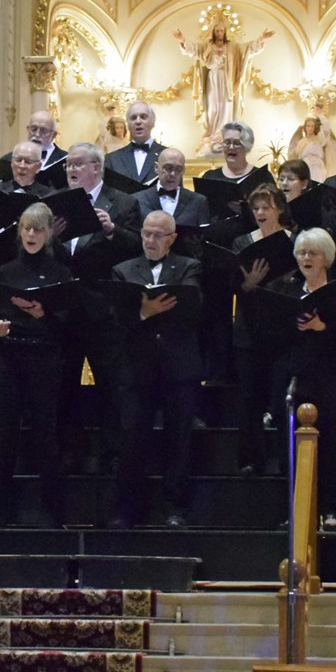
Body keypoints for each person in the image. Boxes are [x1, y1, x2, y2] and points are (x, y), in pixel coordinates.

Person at [109, 211, 203, 529]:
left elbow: (192, 309)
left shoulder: (189, 267)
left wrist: (151, 312)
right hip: (138, 367)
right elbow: (118, 318)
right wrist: (144, 313)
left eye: (157, 235)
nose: (150, 240)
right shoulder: (122, 270)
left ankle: (176, 508)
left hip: (179, 366)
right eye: (146, 234)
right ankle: (127, 510)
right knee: (132, 438)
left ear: (172, 238)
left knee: (179, 439)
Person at [0, 203, 73, 526]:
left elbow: (69, 327)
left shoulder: (60, 273)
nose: (32, 234)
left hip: (44, 358)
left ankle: (53, 512)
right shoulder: (7, 271)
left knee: (45, 436)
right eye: (26, 228)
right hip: (10, 357)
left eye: (38, 229)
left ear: (49, 233)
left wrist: (43, 314)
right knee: (4, 434)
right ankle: (1, 512)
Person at [57, 142, 141, 473]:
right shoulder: (58, 204)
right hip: (65, 311)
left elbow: (136, 248)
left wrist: (111, 231)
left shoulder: (123, 202)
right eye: (67, 166)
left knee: (112, 385)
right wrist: (52, 237)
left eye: (77, 164)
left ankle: (112, 455)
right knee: (64, 385)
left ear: (96, 168)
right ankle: (70, 451)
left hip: (105, 311)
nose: (71, 170)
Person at [267, 228, 336, 530]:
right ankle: (291, 510)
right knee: (287, 447)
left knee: (328, 447)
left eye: (312, 253)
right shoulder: (286, 289)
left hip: (328, 379)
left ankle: (330, 511)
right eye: (302, 252)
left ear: (326, 259)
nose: (306, 257)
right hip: (294, 376)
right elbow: (272, 333)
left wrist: (321, 327)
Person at [231, 183, 293, 476]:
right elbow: (234, 286)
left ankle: (284, 463)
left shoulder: (295, 241)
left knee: (281, 402)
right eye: (255, 208)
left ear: (279, 208)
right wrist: (248, 285)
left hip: (283, 332)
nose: (260, 213)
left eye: (266, 207)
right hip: (250, 330)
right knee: (248, 402)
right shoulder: (242, 242)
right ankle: (250, 460)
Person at [172, 19, 274, 154]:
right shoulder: (207, 46)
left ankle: (224, 135)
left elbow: (248, 49)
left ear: (225, 32)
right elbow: (194, 50)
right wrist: (182, 40)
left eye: (222, 31)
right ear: (213, 32)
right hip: (212, 80)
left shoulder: (232, 47)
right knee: (212, 108)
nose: (219, 33)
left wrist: (261, 39)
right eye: (217, 31)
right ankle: (212, 135)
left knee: (226, 107)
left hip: (227, 82)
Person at [103, 101, 166, 182]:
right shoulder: (112, 159)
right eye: (133, 118)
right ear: (128, 124)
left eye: (143, 117)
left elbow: (176, 193)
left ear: (153, 122)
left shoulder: (168, 156)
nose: (138, 121)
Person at [0, 110, 63, 184]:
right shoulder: (8, 160)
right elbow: (1, 189)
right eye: (33, 129)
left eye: (43, 131)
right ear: (27, 129)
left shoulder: (65, 161)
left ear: (53, 135)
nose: (37, 134)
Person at [288, 116, 336, 181]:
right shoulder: (302, 141)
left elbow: (326, 130)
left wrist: (320, 115)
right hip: (306, 167)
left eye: (312, 126)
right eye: (308, 126)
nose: (310, 128)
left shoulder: (320, 139)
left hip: (318, 167)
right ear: (305, 128)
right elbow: (297, 156)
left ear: (315, 128)